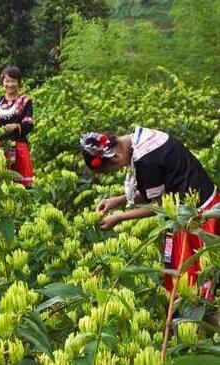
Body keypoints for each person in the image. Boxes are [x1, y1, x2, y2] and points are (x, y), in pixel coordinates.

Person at [80, 126, 219, 299]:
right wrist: (118, 201)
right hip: (205, 200)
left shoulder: (144, 159)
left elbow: (159, 207)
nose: (117, 171)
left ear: (115, 156)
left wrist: (119, 217)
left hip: (197, 216)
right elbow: (158, 190)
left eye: (112, 170)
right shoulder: (140, 137)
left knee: (192, 284)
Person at [0, 66, 35, 188]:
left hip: (17, 147)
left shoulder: (25, 101)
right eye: (7, 81)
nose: (10, 84)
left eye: (13, 81)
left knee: (20, 187)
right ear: (2, 82)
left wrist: (15, 126)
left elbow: (28, 125)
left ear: (19, 82)